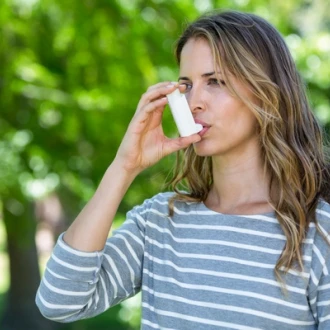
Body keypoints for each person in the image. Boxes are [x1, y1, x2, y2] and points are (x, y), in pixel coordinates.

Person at [36, 10, 330, 329]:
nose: (193, 102)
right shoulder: (160, 221)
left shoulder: (317, 234)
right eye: (186, 85)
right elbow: (59, 301)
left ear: (268, 93)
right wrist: (124, 167)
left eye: (215, 81)